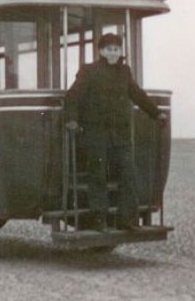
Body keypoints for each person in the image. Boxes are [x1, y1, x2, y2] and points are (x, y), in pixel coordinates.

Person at [64, 33, 167, 231]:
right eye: (109, 49)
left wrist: (156, 114)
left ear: (120, 52)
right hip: (95, 134)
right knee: (98, 176)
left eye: (117, 49)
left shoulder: (124, 72)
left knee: (128, 175)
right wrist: (71, 120)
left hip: (119, 134)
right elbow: (72, 97)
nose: (113, 53)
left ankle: (127, 219)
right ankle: (99, 220)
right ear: (101, 51)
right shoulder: (89, 71)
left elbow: (137, 95)